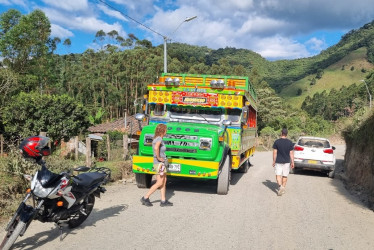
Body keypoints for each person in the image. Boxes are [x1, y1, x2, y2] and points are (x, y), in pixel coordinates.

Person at [140, 123, 173, 207]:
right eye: (166, 130)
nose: (166, 131)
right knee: (160, 182)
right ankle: (145, 197)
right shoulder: (159, 139)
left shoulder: (157, 138)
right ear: (163, 130)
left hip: (160, 163)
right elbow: (156, 148)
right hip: (159, 164)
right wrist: (159, 157)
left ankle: (163, 200)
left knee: (164, 181)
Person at [272, 128, 294, 196]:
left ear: (281, 133)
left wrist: (274, 161)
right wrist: (292, 162)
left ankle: (280, 187)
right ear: (287, 134)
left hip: (278, 161)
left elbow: (275, 153)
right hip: (287, 162)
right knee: (285, 175)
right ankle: (283, 188)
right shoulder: (290, 142)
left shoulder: (277, 142)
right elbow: (291, 153)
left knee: (278, 175)